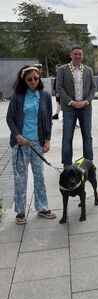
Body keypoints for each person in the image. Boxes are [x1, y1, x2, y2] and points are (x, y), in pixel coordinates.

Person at [6, 65, 56, 224]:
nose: (33, 81)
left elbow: (48, 119)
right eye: (29, 79)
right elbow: (10, 118)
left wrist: (47, 140)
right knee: (20, 178)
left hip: (37, 143)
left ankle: (42, 207)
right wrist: (17, 135)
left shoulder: (45, 96)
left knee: (40, 176)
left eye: (36, 78)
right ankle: (20, 212)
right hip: (21, 144)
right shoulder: (17, 96)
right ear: (24, 80)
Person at [56, 47, 96, 167]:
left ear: (82, 56)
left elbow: (93, 88)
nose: (77, 56)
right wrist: (71, 102)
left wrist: (87, 101)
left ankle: (88, 163)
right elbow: (59, 87)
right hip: (69, 108)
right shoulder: (63, 70)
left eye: (80, 54)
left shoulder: (88, 70)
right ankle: (67, 164)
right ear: (71, 55)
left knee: (87, 136)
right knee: (67, 137)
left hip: (85, 108)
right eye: (75, 54)